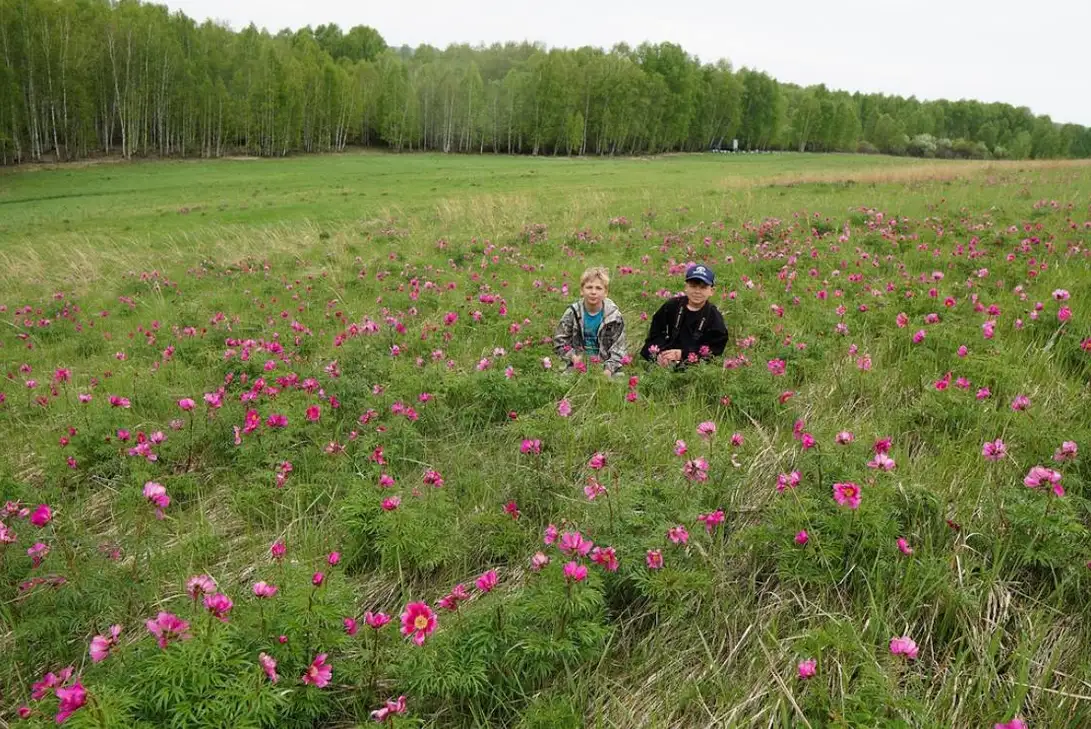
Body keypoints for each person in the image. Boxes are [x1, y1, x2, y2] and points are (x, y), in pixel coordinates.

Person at [640, 264, 729, 367]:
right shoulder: (671, 306)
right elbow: (655, 335)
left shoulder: (714, 317)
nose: (697, 291)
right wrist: (661, 354)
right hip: (664, 358)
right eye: (693, 286)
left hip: (694, 365)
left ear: (711, 291)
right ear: (686, 287)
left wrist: (682, 354)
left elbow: (715, 350)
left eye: (703, 287)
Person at [553, 266, 628, 376]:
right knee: (563, 379)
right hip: (578, 363)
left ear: (605, 292)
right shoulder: (572, 312)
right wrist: (573, 357)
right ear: (582, 290)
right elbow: (559, 342)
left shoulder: (614, 316)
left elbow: (619, 348)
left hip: (605, 365)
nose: (593, 292)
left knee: (620, 381)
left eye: (598, 288)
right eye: (589, 287)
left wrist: (608, 370)